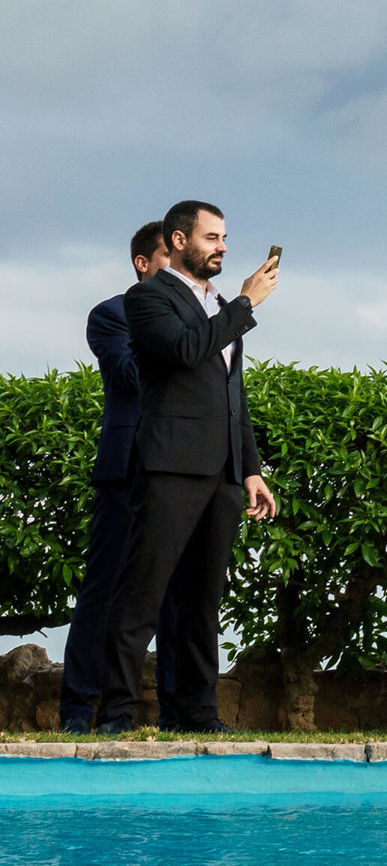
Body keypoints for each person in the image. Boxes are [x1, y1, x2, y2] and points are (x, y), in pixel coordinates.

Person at [95, 201, 280, 735]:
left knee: (202, 602)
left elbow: (231, 394)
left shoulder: (219, 303)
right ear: (178, 241)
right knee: (141, 595)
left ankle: (197, 713)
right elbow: (185, 350)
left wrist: (249, 469)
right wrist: (246, 302)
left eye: (225, 237)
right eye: (211, 237)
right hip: (169, 464)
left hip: (222, 473)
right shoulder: (148, 297)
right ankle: (117, 714)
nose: (222, 246)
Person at [60, 223, 193, 733]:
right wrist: (174, 342)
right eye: (167, 256)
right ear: (143, 263)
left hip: (180, 469)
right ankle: (77, 709)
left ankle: (177, 713)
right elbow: (130, 377)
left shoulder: (199, 316)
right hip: (125, 468)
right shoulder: (110, 314)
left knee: (176, 591)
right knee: (105, 587)